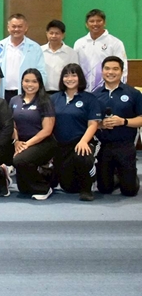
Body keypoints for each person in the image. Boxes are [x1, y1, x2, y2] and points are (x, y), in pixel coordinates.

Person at [51, 63, 102, 201]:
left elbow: (93, 124)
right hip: (61, 145)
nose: (70, 79)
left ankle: (87, 188)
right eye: (66, 76)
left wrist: (84, 141)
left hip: (81, 141)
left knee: (82, 155)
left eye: (74, 75)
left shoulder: (90, 99)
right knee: (69, 187)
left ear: (80, 77)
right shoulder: (54, 99)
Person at [93, 56, 141, 197]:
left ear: (121, 71)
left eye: (115, 69)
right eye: (107, 69)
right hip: (104, 146)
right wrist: (101, 125)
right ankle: (116, 175)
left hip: (125, 145)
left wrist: (123, 121)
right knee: (104, 189)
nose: (111, 72)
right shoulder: (95, 95)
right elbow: (89, 122)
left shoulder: (133, 93)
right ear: (102, 71)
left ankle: (129, 176)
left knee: (129, 191)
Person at [9, 69, 57, 200]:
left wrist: (26, 145)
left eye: (34, 81)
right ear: (22, 82)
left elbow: (47, 130)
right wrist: (16, 142)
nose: (30, 85)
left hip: (43, 142)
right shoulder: (14, 100)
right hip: (21, 142)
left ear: (40, 83)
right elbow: (12, 125)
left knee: (20, 160)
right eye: (26, 81)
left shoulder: (45, 101)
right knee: (23, 189)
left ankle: (44, 188)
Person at [0, 13, 47, 102]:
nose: (16, 29)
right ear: (8, 27)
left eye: (20, 26)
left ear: (26, 28)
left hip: (26, 93)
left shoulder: (35, 48)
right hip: (2, 93)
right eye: (13, 26)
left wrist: (36, 92)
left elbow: (41, 73)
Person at [74, 9, 127, 92]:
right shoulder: (79, 43)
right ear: (86, 24)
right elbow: (75, 67)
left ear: (104, 23)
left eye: (99, 21)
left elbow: (123, 68)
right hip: (84, 91)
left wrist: (119, 89)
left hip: (107, 90)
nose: (95, 24)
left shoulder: (115, 43)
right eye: (92, 21)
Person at [41, 20, 78, 94]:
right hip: (42, 92)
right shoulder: (39, 51)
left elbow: (75, 73)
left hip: (63, 93)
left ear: (63, 35)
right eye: (51, 33)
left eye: (57, 33)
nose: (53, 36)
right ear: (46, 34)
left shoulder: (71, 53)